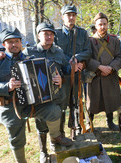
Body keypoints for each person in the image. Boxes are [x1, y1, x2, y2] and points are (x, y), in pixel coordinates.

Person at [0, 28, 72, 163]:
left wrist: (58, 80)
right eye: (10, 42)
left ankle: (55, 137)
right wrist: (7, 86)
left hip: (32, 104)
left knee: (54, 110)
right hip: (10, 108)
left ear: (21, 43)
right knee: (17, 139)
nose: (14, 45)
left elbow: (48, 76)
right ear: (4, 44)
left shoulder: (31, 59)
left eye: (17, 41)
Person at [54, 4, 91, 136]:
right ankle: (61, 133)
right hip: (63, 76)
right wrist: (70, 63)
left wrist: (77, 59)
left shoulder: (82, 33)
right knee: (62, 105)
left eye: (73, 15)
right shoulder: (56, 34)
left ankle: (77, 128)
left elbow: (88, 51)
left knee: (77, 102)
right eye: (68, 15)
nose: (71, 17)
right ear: (63, 17)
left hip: (78, 75)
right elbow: (56, 52)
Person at [86, 12, 121, 131]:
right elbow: (86, 58)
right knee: (92, 102)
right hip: (95, 75)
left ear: (107, 25)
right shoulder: (89, 41)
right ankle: (89, 123)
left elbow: (120, 57)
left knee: (110, 100)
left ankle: (110, 122)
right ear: (95, 26)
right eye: (100, 24)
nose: (102, 27)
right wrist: (99, 67)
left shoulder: (114, 40)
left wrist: (111, 68)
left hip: (110, 75)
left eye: (104, 24)